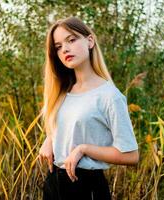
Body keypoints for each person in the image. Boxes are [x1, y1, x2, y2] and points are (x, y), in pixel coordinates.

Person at [38, 16, 139, 200]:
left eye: (71, 40)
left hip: (86, 188)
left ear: (90, 41)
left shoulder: (110, 96)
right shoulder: (63, 91)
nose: (65, 49)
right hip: (54, 186)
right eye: (58, 47)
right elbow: (71, 125)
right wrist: (51, 138)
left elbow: (131, 155)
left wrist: (83, 149)